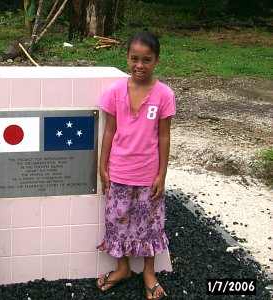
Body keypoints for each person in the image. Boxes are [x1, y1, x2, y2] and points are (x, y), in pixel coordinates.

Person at [96, 31, 176, 300]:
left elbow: (164, 136)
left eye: (146, 60)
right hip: (119, 172)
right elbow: (109, 131)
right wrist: (103, 166)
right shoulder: (115, 91)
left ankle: (149, 272)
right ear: (127, 58)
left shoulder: (164, 94)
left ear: (156, 60)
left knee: (150, 224)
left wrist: (162, 174)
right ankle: (123, 268)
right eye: (134, 58)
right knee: (117, 222)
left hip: (148, 175)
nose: (139, 65)